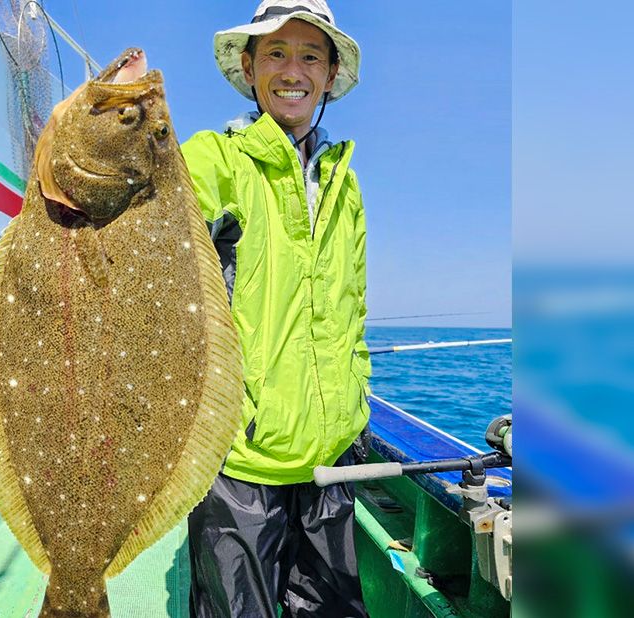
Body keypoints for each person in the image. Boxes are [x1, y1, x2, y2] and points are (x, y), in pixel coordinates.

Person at [181, 0, 371, 616]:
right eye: (277, 53)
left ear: (328, 74)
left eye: (310, 56)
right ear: (250, 66)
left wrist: (357, 397)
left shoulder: (345, 180)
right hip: (241, 464)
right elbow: (146, 242)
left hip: (332, 460)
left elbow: (353, 309)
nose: (294, 69)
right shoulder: (211, 159)